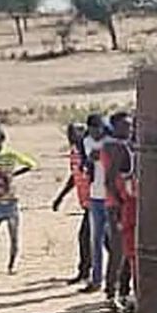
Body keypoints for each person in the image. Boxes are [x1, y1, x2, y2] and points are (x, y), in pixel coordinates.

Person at [0, 122, 37, 276]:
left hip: (11, 201)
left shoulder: (10, 155)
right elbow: (31, 164)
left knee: (13, 237)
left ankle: (12, 266)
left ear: (2, 138)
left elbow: (31, 164)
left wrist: (14, 174)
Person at [103, 112, 138, 301]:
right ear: (115, 127)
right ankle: (112, 291)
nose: (129, 129)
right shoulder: (115, 148)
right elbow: (109, 181)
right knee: (119, 250)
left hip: (125, 203)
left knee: (129, 250)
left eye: (130, 126)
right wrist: (119, 204)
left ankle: (123, 290)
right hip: (119, 205)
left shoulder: (124, 146)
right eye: (125, 126)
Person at [52, 123, 93, 284]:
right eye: (69, 133)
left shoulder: (88, 152)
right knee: (100, 239)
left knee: (86, 238)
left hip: (97, 202)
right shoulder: (74, 153)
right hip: (87, 203)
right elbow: (74, 177)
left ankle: (86, 272)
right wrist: (61, 197)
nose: (71, 136)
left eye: (74, 133)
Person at [81, 113, 111, 293]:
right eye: (91, 129)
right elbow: (90, 159)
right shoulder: (87, 142)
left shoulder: (111, 141)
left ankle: (114, 280)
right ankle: (97, 279)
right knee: (96, 240)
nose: (94, 132)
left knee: (115, 240)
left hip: (112, 196)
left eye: (97, 128)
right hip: (95, 196)